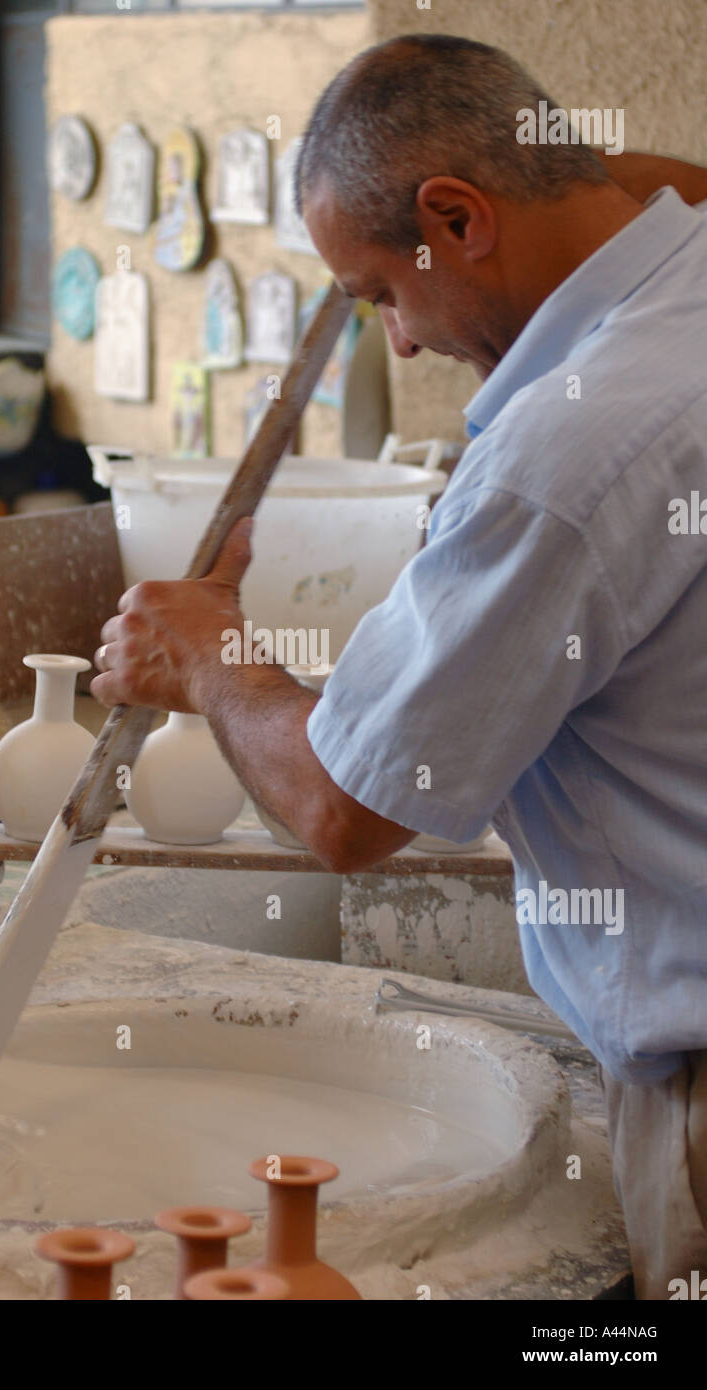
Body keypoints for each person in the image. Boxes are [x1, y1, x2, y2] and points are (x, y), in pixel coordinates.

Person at [91, 34, 707, 1300]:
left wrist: (209, 658)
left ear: (457, 218)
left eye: (380, 292)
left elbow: (345, 808)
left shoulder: (564, 453)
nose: (404, 344)